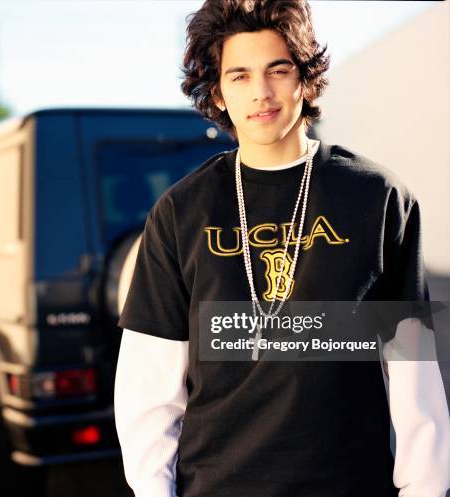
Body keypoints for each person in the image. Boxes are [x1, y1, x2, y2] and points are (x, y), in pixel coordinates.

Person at [114, 1, 449, 496]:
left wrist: (424, 489)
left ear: (306, 78)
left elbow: (413, 369)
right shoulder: (181, 212)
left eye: (278, 69)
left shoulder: (377, 198)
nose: (261, 93)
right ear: (218, 92)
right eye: (240, 76)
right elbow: (149, 388)